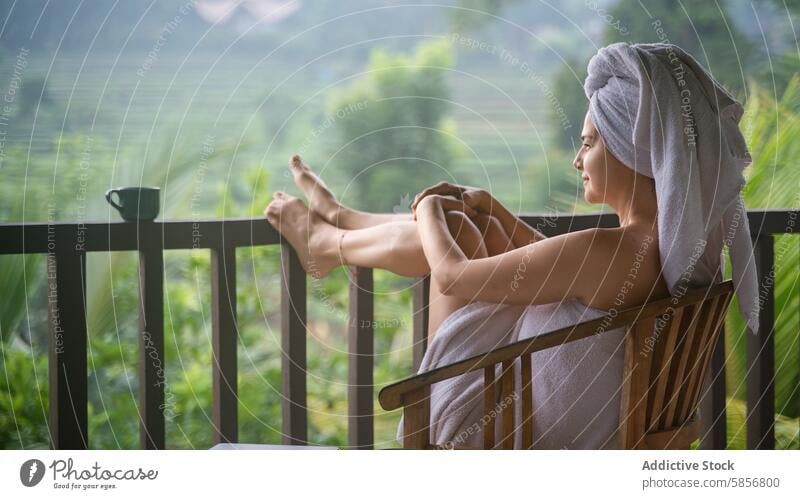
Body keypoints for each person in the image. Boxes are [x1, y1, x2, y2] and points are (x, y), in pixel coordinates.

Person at [264, 41, 758, 448]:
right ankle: (341, 228)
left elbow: (454, 276)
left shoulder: (607, 250)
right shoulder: (671, 253)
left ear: (633, 150)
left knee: (454, 228)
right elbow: (562, 274)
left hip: (495, 429)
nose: (576, 159)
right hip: (577, 428)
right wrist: (497, 212)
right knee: (477, 226)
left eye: (588, 143)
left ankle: (332, 241)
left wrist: (427, 207)